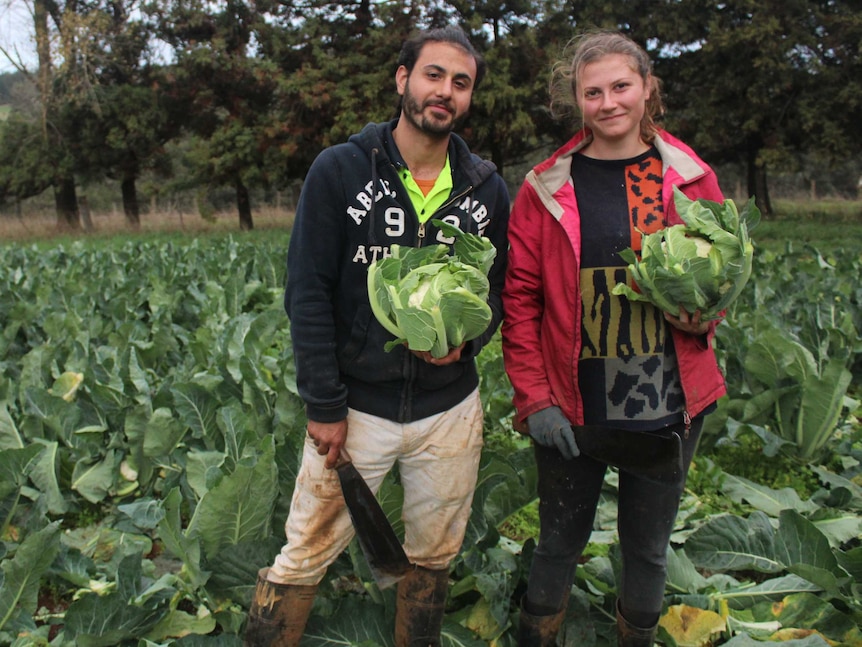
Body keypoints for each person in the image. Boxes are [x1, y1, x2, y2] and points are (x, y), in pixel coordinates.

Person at [243, 25, 510, 647]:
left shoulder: (486, 186)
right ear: (403, 80)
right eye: (434, 75)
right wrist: (325, 404)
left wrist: (465, 342)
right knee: (304, 552)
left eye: (461, 83)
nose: (445, 92)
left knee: (434, 556)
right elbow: (306, 291)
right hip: (356, 409)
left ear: (469, 98)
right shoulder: (340, 170)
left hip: (449, 409)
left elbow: (492, 291)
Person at [501, 30, 726, 647]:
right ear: (576, 100)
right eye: (592, 91)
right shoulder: (547, 187)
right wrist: (536, 398)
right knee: (556, 543)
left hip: (665, 402)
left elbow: (722, 276)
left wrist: (700, 319)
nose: (608, 103)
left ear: (647, 89)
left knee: (648, 551)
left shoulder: (687, 178)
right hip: (574, 404)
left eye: (620, 86)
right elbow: (520, 300)